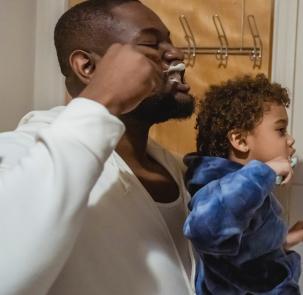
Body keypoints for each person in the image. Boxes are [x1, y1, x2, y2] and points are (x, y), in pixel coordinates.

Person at [0, 1, 197, 294]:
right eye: (150, 43)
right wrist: (102, 100)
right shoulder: (20, 151)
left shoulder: (176, 168)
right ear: (88, 67)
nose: (176, 54)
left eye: (169, 41)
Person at [183, 74, 303, 294]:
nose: (290, 140)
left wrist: (285, 239)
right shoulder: (222, 187)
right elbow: (205, 230)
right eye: (281, 130)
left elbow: (247, 252)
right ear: (241, 140)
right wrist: (266, 171)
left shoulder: (249, 189)